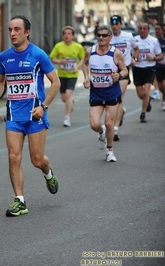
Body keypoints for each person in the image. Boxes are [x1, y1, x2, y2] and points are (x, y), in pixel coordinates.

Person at [0, 15, 60, 217]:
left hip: (35, 115)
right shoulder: (4, 57)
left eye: (17, 29)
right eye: (10, 29)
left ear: (27, 32)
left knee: (36, 160)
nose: (13, 33)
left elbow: (56, 83)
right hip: (13, 115)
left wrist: (44, 107)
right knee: (13, 158)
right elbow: (0, 81)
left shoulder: (38, 55)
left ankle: (48, 172)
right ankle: (20, 201)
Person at [82, 25, 128, 162]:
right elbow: (84, 64)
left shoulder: (116, 53)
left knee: (109, 123)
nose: (101, 38)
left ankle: (109, 151)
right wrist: (86, 77)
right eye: (99, 35)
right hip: (96, 92)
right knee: (95, 125)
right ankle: (101, 133)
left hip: (111, 92)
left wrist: (118, 76)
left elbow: (125, 70)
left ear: (110, 37)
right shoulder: (90, 51)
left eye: (104, 35)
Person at [109, 15, 140, 141]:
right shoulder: (107, 37)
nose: (115, 26)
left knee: (118, 97)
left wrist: (135, 58)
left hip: (124, 70)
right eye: (113, 24)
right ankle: (120, 113)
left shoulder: (128, 36)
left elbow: (136, 48)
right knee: (113, 99)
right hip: (110, 72)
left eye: (117, 24)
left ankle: (115, 129)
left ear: (121, 24)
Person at [49, 25, 85, 127]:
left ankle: (67, 117)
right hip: (61, 74)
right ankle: (70, 103)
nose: (67, 35)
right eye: (65, 34)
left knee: (69, 94)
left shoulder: (78, 47)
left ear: (73, 36)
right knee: (64, 98)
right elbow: (52, 58)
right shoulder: (58, 46)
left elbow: (83, 59)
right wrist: (60, 61)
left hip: (72, 75)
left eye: (69, 34)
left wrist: (77, 67)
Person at [133, 23, 163, 123]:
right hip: (137, 68)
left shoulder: (154, 41)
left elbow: (160, 56)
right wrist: (134, 59)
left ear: (148, 30)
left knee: (146, 91)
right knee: (140, 94)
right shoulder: (134, 40)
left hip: (149, 68)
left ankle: (143, 114)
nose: (142, 30)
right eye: (140, 28)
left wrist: (153, 58)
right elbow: (129, 54)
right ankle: (148, 100)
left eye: (144, 28)